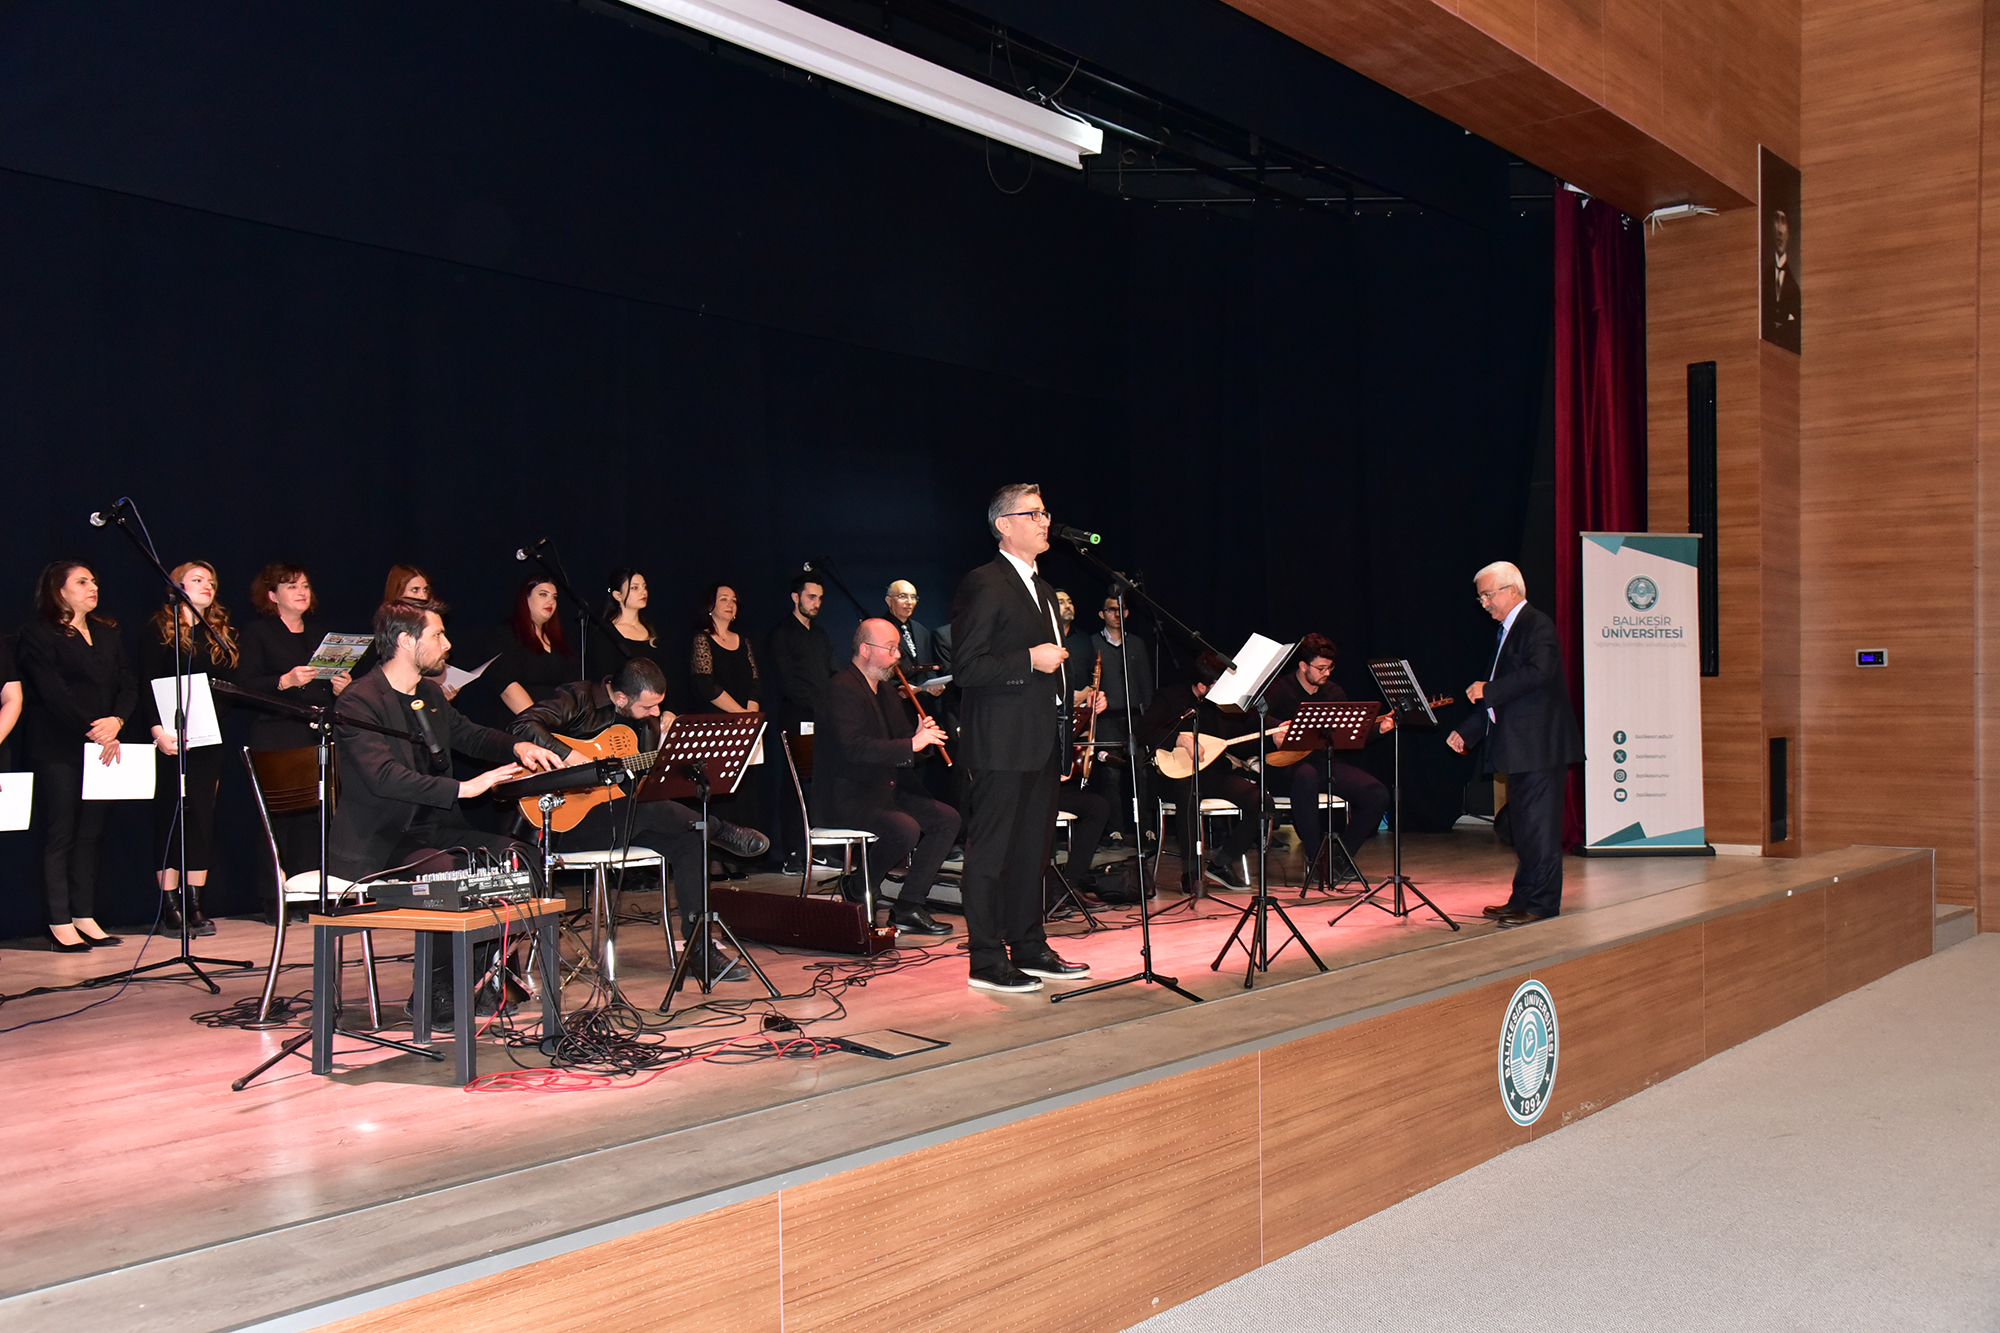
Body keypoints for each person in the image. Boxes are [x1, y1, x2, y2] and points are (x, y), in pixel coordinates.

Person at [328, 598, 563, 1017]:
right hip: (381, 842)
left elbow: (469, 736)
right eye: (437, 634)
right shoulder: (358, 702)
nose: (447, 644)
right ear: (404, 641)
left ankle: (478, 976)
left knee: (521, 858)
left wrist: (518, 745)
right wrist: (464, 788)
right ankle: (435, 994)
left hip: (433, 831)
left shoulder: (430, 693)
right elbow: (382, 776)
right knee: (451, 875)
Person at [510, 656, 773, 982]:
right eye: (648, 707)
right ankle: (720, 830)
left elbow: (642, 783)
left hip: (622, 816)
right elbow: (522, 726)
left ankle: (699, 948)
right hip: (564, 822)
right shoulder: (578, 697)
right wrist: (568, 756)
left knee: (690, 837)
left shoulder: (645, 721)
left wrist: (669, 751)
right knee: (655, 811)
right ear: (621, 698)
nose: (654, 713)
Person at [951, 483, 1090, 992]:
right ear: (1004, 524)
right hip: (1000, 742)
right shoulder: (984, 583)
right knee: (990, 853)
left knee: (1033, 850)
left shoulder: (1046, 590)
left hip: (1041, 740)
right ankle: (986, 960)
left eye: (1046, 512)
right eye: (1033, 513)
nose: (1044, 521)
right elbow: (966, 667)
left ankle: (1029, 946)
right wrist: (1029, 660)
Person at [1445, 561, 1585, 928]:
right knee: (1524, 829)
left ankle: (1541, 904)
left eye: (1489, 594)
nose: (1485, 603)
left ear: (1513, 590)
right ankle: (1522, 898)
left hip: (1540, 747)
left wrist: (1488, 689)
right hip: (1523, 747)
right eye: (1481, 597)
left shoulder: (1535, 625)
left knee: (1539, 830)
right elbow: (1504, 697)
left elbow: (1539, 674)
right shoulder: (1509, 630)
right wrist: (1469, 731)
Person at [18, 561, 137, 951]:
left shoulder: (106, 634)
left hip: (106, 744)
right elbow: (52, 692)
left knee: (92, 833)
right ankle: (59, 920)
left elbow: (128, 683)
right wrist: (95, 729)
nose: (92, 587)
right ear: (59, 590)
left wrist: (117, 721)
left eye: (95, 581)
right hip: (60, 745)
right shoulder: (38, 633)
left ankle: (84, 913)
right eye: (82, 581)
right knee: (62, 832)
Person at [814, 621, 958, 936]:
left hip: (883, 790)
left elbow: (901, 744)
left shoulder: (886, 693)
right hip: (847, 795)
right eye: (890, 649)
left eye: (897, 649)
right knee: (905, 829)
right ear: (865, 650)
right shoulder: (841, 689)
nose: (897, 657)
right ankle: (860, 884)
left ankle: (908, 906)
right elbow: (855, 749)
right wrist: (911, 745)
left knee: (947, 819)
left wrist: (922, 741)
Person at [238, 562, 351, 897]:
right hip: (277, 734)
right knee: (280, 819)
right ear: (272, 595)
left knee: (314, 818)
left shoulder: (322, 634)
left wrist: (342, 686)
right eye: (291, 586)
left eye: (305, 585)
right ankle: (274, 899)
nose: (302, 592)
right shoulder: (258, 633)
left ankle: (309, 894)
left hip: (317, 733)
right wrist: (284, 681)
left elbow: (330, 685)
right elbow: (244, 684)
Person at [144, 561, 239, 937]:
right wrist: (157, 731)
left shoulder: (220, 633)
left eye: (211, 581)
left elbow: (230, 684)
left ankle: (195, 902)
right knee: (171, 816)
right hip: (168, 739)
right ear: (176, 586)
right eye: (197, 580)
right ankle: (169, 906)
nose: (207, 586)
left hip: (207, 739)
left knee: (200, 819)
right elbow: (145, 681)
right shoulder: (160, 629)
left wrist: (210, 717)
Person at [1264, 633, 1393, 877]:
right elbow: (1251, 718)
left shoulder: (1334, 693)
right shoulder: (1280, 688)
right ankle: (1315, 859)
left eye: (1330, 667)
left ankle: (1340, 858)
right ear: (1303, 666)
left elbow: (1349, 735)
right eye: (1321, 668)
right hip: (1284, 767)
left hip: (1323, 762)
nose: (1327, 673)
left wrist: (1380, 729)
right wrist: (1276, 728)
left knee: (1376, 794)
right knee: (1306, 776)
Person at [1133, 653, 1263, 892]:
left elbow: (1239, 739)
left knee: (1260, 800)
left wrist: (1271, 733)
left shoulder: (1223, 706)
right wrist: (1179, 738)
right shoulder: (1169, 697)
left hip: (1213, 773)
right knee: (1188, 794)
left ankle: (1221, 863)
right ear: (1203, 686)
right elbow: (1142, 732)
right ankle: (1190, 870)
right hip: (1174, 776)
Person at [690, 584, 766, 874]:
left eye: (734, 600)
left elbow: (756, 680)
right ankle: (715, 862)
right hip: (717, 724)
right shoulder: (702, 640)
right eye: (724, 599)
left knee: (743, 790)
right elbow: (705, 683)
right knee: (719, 790)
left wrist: (750, 712)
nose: (730, 604)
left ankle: (739, 858)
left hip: (745, 723)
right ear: (710, 604)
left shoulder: (743, 640)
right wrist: (740, 714)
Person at [1070, 591, 1155, 846]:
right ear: (1101, 614)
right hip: (1107, 717)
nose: (1116, 615)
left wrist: (1149, 716)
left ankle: (1146, 828)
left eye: (1121, 610)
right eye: (1111, 610)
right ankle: (1115, 829)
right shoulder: (1093, 643)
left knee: (1141, 771)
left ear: (1127, 613)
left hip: (1134, 717)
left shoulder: (1136, 644)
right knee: (1110, 774)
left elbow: (1146, 684)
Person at [765, 572, 837, 873]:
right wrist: (818, 703)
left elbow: (828, 672)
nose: (816, 603)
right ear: (795, 597)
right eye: (811, 597)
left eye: (820, 598)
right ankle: (793, 852)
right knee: (795, 783)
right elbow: (787, 681)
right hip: (797, 716)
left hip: (823, 718)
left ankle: (820, 848)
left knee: (823, 783)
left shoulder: (820, 634)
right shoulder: (782, 633)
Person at [488, 576, 579, 716]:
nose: (551, 601)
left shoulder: (560, 640)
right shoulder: (507, 634)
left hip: (559, 720)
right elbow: (506, 685)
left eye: (554, 597)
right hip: (522, 722)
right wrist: (538, 723)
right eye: (543, 594)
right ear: (526, 598)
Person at [588, 567, 657, 675]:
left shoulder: (651, 628)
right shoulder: (606, 633)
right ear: (617, 595)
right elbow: (605, 676)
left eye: (644, 587)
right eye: (635, 588)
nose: (643, 592)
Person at [885, 580, 945, 695]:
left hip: (921, 700)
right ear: (889, 601)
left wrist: (933, 685)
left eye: (913, 597)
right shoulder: (880, 628)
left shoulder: (921, 630)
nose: (909, 602)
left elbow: (928, 666)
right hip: (893, 698)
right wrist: (898, 687)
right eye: (903, 597)